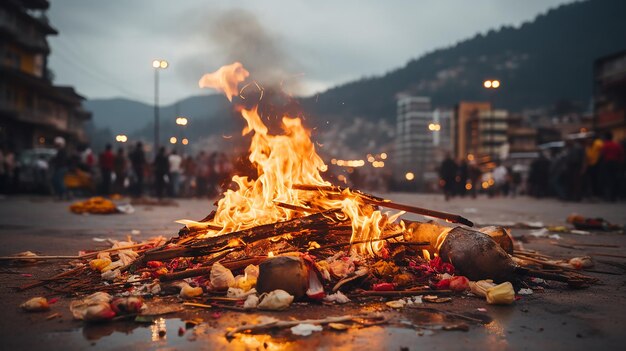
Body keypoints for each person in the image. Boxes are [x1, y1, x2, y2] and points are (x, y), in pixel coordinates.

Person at [599, 131, 625, 202]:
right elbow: (621, 154)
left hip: (607, 164)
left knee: (608, 180)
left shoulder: (605, 145)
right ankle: (616, 196)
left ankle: (609, 197)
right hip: (616, 164)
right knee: (616, 179)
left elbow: (602, 154)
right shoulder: (616, 145)